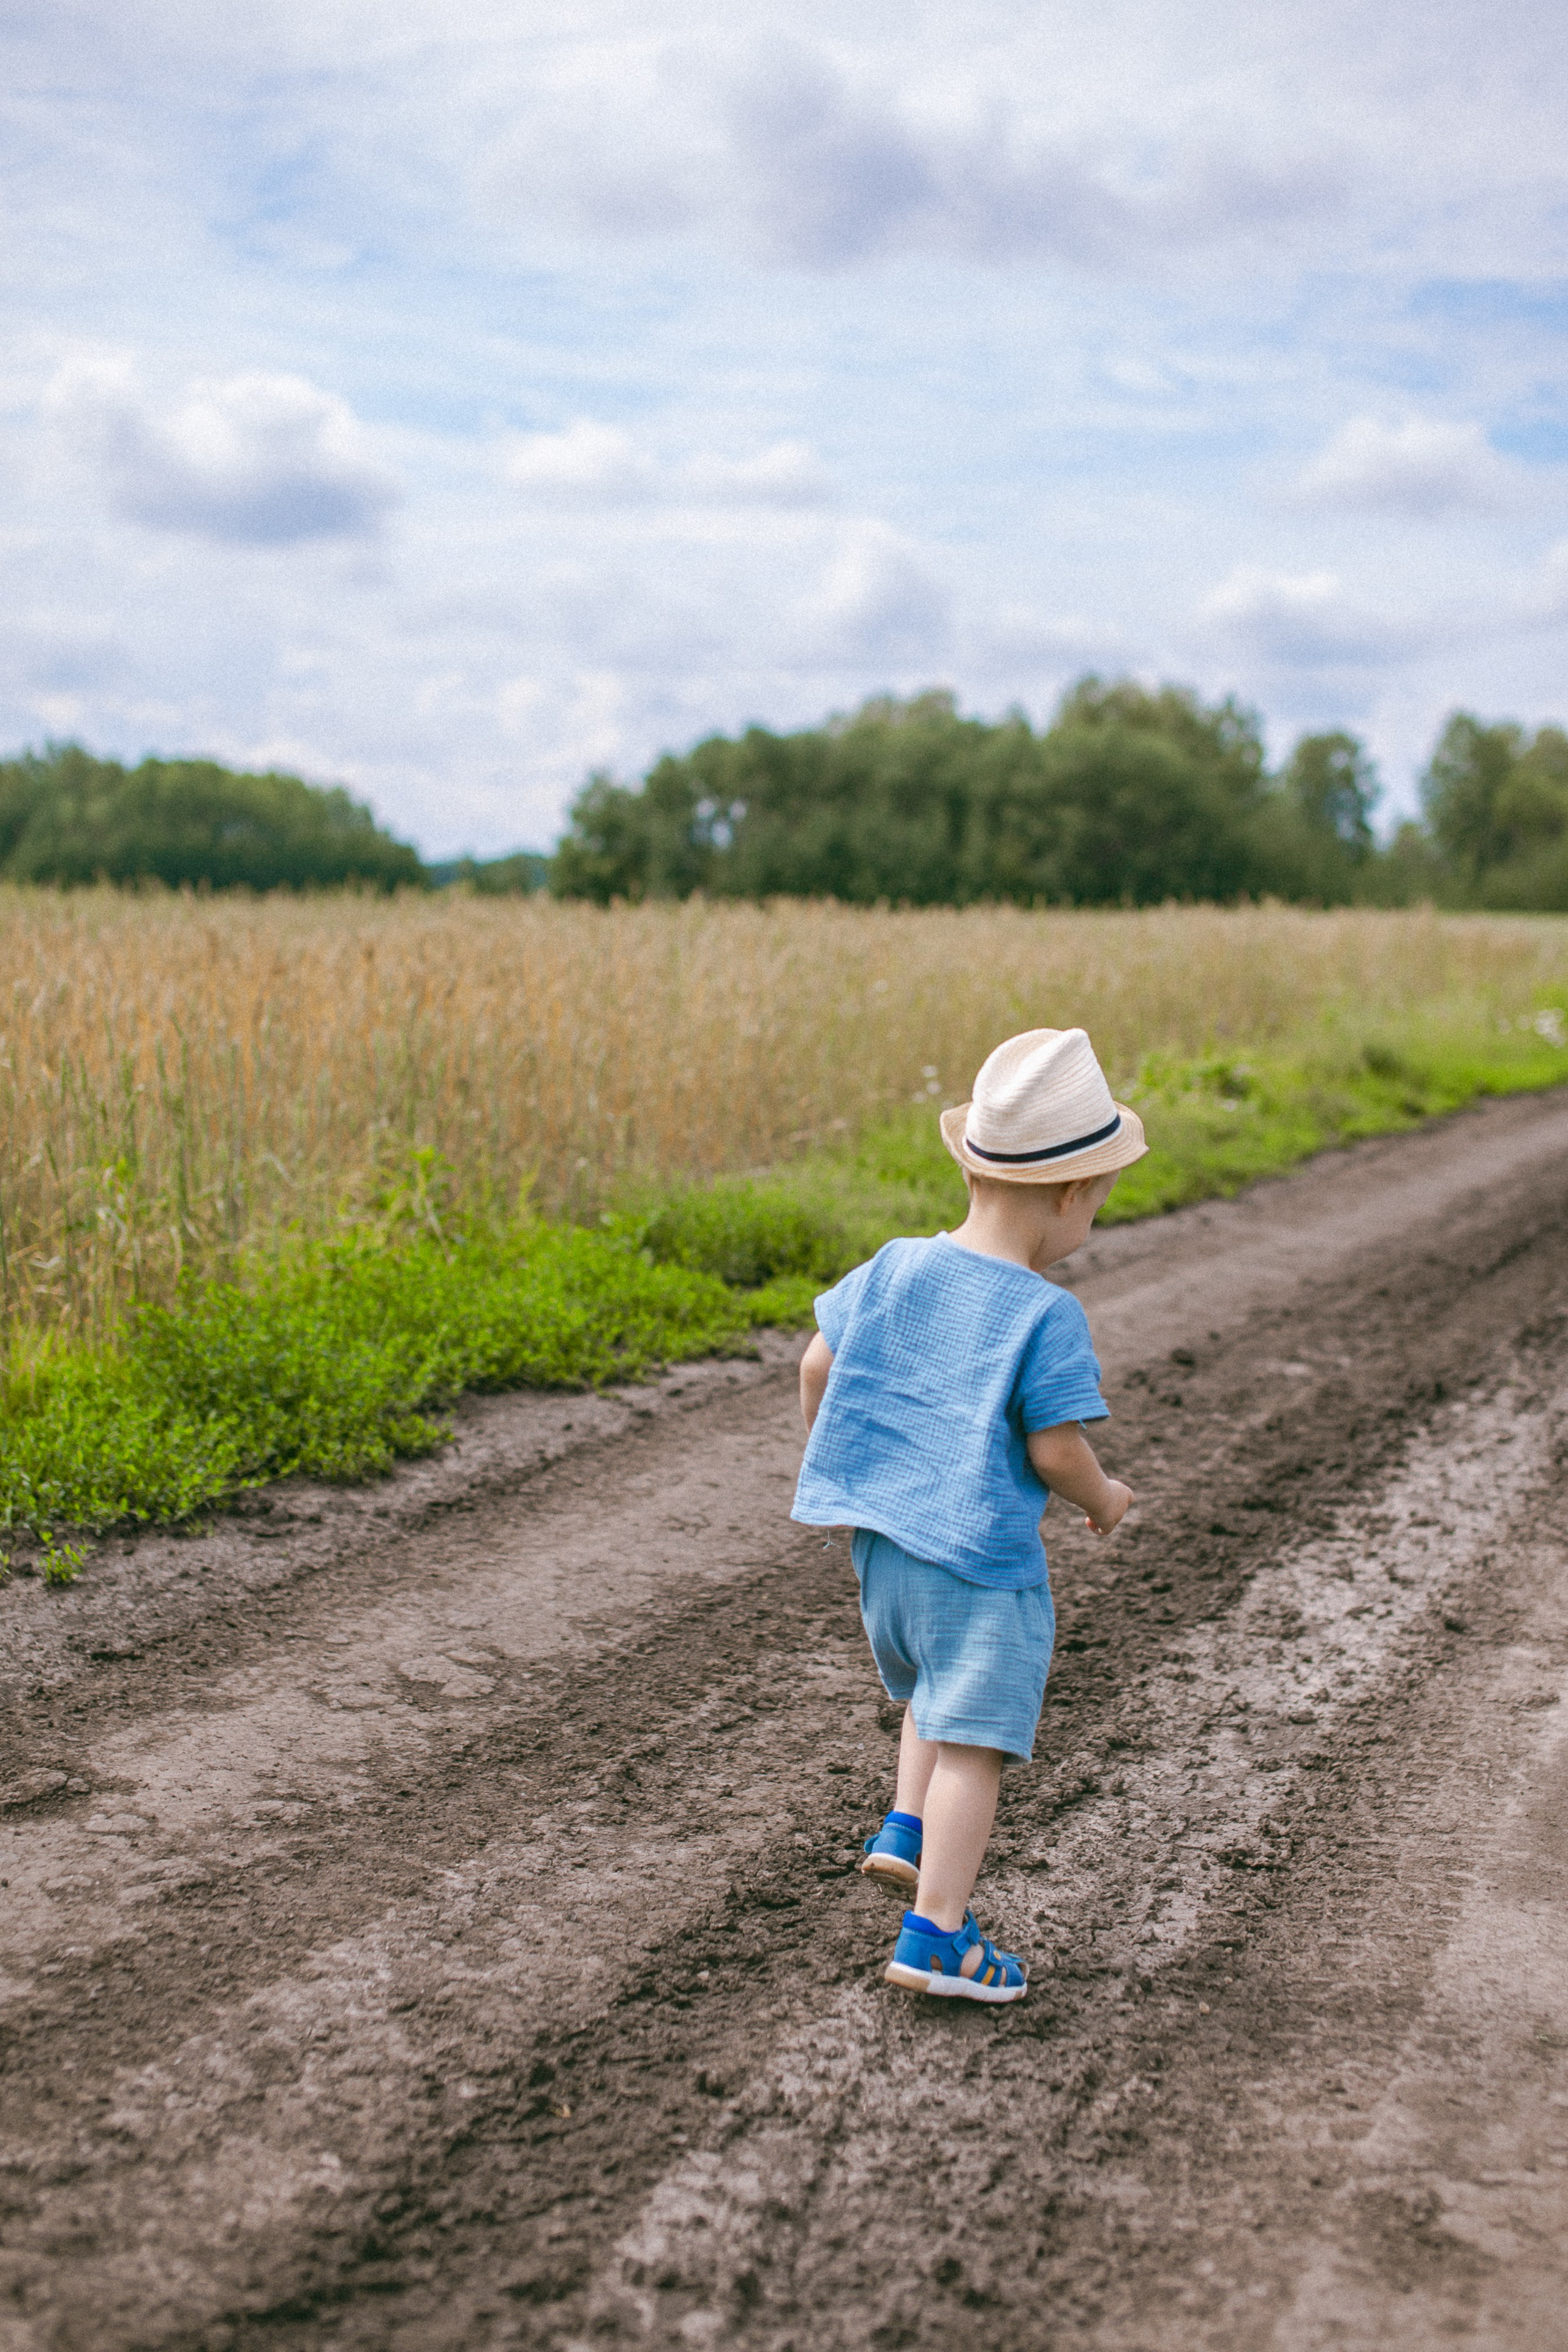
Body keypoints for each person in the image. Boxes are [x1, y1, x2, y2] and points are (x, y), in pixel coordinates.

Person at [792, 1027, 1147, 2003]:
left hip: (883, 1553)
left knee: (930, 1696)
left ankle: (904, 1827)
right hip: (980, 1571)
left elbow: (817, 1364)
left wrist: (847, 1463)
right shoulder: (1044, 1314)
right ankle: (937, 1934)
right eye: (1101, 1199)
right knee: (976, 1741)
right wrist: (1104, 1499)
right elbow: (1054, 1451)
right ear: (1071, 1194)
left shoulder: (899, 1263)